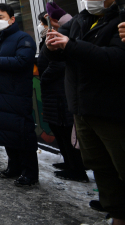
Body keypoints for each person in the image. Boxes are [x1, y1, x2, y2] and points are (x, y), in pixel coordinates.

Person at [46, 0, 125, 223]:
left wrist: (70, 45)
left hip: (111, 108)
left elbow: (114, 59)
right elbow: (60, 52)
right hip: (82, 107)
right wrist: (53, 47)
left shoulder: (120, 21)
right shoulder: (81, 19)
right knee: (99, 165)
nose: (87, 0)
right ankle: (115, 211)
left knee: (121, 164)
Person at [0, 3, 38, 187]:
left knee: (22, 133)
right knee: (6, 132)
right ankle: (14, 167)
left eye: (0, 17)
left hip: (16, 94)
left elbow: (22, 62)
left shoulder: (23, 38)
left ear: (12, 19)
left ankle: (30, 173)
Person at [35, 10, 88, 183]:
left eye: (45, 21)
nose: (43, 25)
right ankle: (69, 162)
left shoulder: (65, 36)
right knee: (58, 128)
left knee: (66, 129)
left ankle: (77, 168)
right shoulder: (47, 37)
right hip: (51, 92)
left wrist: (44, 77)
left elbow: (59, 64)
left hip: (60, 90)